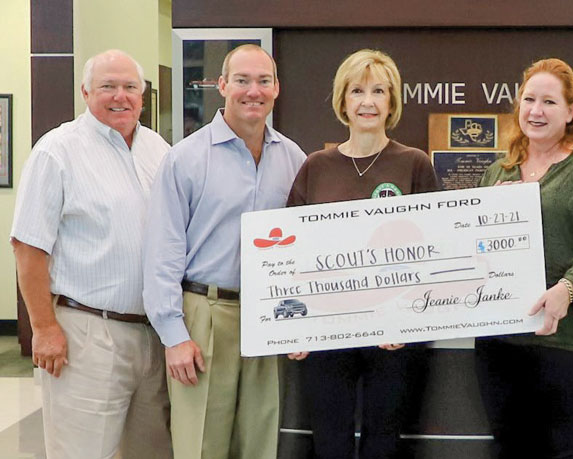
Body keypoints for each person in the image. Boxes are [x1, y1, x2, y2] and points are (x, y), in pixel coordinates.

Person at [142, 44, 306, 459]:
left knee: (260, 443)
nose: (253, 91)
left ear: (277, 88)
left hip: (268, 316)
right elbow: (162, 253)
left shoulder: (293, 159)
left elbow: (305, 247)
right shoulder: (185, 159)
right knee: (202, 445)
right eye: (242, 80)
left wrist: (299, 324)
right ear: (221, 85)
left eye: (263, 81)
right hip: (204, 315)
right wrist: (174, 336)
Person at [10, 49, 172, 459]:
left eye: (130, 87)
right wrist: (44, 328)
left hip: (154, 335)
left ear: (142, 94)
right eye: (107, 86)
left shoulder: (158, 149)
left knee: (153, 452)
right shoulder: (57, 151)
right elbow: (28, 247)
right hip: (87, 334)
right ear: (85, 92)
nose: (120, 96)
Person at [283, 48, 438, 459]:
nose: (367, 101)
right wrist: (293, 326)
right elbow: (290, 255)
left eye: (378, 91)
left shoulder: (415, 164)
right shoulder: (316, 166)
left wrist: (406, 321)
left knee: (382, 446)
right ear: (343, 100)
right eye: (357, 91)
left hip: (393, 337)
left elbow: (433, 252)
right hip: (327, 333)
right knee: (329, 444)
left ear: (392, 102)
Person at [474, 57, 573, 459]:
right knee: (508, 448)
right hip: (500, 340)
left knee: (561, 449)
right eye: (529, 100)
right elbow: (476, 248)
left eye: (549, 102)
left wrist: (569, 288)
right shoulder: (498, 172)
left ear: (571, 111)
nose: (536, 111)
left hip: (566, 341)